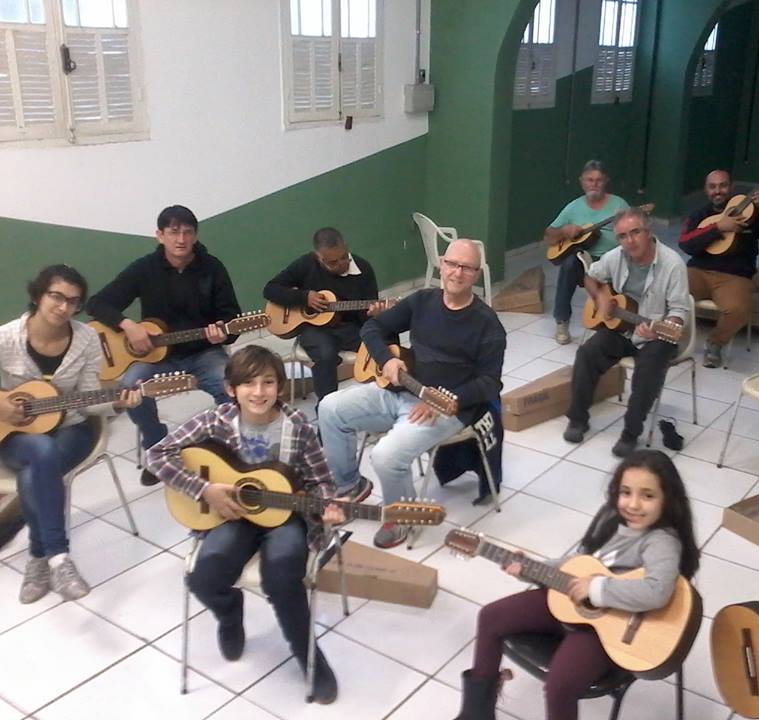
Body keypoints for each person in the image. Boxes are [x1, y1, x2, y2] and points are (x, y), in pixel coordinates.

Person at [145, 346, 345, 704]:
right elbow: (156, 454)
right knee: (204, 578)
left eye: (268, 382)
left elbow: (322, 482)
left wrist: (327, 506)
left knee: (283, 578)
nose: (259, 391)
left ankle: (310, 660)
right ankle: (229, 610)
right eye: (248, 383)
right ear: (230, 388)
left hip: (285, 517)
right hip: (230, 514)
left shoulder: (297, 427)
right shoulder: (214, 421)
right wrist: (203, 489)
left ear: (281, 388)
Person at [453, 450, 700, 720]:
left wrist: (596, 590)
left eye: (648, 495)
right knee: (491, 616)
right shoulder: (611, 522)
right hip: (571, 607)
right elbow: (576, 565)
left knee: (560, 687)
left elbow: (657, 591)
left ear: (668, 499)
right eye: (626, 492)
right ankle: (475, 714)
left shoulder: (662, 540)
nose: (633, 504)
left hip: (612, 631)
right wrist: (528, 569)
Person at [317, 239, 506, 548]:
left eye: (467, 268)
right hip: (402, 389)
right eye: (452, 264)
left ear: (476, 273)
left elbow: (490, 383)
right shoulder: (422, 300)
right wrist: (387, 359)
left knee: (385, 455)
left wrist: (447, 399)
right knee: (329, 408)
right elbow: (372, 329)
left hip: (449, 408)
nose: (457, 273)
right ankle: (349, 485)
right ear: (441, 264)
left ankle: (402, 517)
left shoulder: (487, 324)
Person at [0, 265, 141, 603]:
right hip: (12, 437)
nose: (63, 307)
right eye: (56, 297)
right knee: (40, 454)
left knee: (41, 462)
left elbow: (91, 399)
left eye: (73, 302)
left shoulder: (87, 339)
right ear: (38, 295)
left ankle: (40, 557)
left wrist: (118, 404)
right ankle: (58, 558)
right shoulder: (5, 339)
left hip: (72, 429)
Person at [86, 205, 242, 485]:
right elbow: (97, 303)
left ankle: (227, 448)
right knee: (131, 388)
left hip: (203, 352)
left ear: (195, 236)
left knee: (231, 387)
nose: (180, 239)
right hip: (155, 357)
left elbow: (231, 317)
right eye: (173, 232)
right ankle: (159, 449)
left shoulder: (212, 268)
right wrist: (128, 325)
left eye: (187, 232)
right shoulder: (144, 269)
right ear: (160, 235)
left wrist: (223, 332)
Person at [564, 207, 689, 458]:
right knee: (587, 353)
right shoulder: (615, 256)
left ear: (648, 231)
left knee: (648, 367)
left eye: (635, 233)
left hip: (658, 334)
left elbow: (679, 310)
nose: (629, 241)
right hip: (622, 329)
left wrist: (663, 327)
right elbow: (590, 277)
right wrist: (600, 297)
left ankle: (630, 433)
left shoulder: (672, 263)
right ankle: (578, 419)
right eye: (623, 236)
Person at [680, 170, 759, 367]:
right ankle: (670, 337)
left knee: (738, 309)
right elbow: (685, 243)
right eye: (712, 186)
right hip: (698, 272)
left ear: (731, 187)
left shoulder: (752, 214)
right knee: (670, 293)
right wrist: (718, 228)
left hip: (734, 277)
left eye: (723, 185)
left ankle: (715, 342)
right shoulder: (700, 215)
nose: (718, 191)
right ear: (706, 190)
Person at [263, 227, 386, 404]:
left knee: (380, 345)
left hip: (348, 328)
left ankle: (378, 402)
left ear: (347, 247)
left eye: (344, 257)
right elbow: (270, 289)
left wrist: (374, 314)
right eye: (332, 262)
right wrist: (304, 297)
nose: (341, 264)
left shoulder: (363, 269)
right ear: (318, 257)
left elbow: (367, 317)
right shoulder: (306, 264)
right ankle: (327, 407)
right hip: (313, 329)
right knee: (326, 354)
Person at [544, 160, 629, 345]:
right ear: (582, 182)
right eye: (589, 180)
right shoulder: (573, 207)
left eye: (598, 180)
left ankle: (615, 318)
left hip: (613, 258)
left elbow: (632, 231)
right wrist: (564, 231)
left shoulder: (619, 204)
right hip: (584, 259)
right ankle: (561, 320)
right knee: (568, 265)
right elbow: (549, 236)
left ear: (605, 181)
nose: (594, 184)